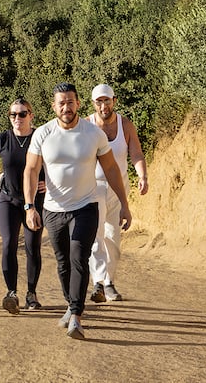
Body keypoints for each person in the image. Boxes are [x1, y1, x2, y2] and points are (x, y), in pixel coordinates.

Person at [23, 82, 131, 340]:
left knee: (79, 257)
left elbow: (112, 170)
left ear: (78, 104)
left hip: (86, 205)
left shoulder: (93, 133)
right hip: (53, 208)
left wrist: (125, 205)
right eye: (61, 103)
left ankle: (76, 315)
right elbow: (30, 170)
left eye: (70, 102)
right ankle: (70, 304)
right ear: (54, 106)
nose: (66, 107)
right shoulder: (43, 134)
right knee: (62, 263)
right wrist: (29, 207)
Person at [0, 98, 46, 314]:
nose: (17, 118)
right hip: (8, 199)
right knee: (9, 245)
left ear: (31, 115)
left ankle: (31, 294)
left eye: (22, 114)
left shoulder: (40, 138)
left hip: (34, 201)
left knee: (33, 247)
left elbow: (57, 161)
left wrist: (49, 182)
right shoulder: (4, 138)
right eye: (13, 114)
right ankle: (11, 292)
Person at [87, 83, 148, 303]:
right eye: (99, 101)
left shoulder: (126, 125)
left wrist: (142, 176)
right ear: (93, 104)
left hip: (119, 188)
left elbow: (137, 154)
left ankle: (108, 281)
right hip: (93, 188)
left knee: (113, 238)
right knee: (96, 237)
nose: (103, 105)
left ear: (114, 101)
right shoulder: (87, 126)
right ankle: (99, 285)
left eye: (107, 100)